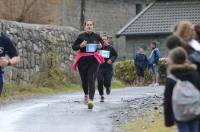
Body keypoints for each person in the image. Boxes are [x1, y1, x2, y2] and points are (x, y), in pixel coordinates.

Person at [164, 47, 200, 132]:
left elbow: (168, 100)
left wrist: (169, 120)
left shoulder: (171, 77)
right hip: (195, 109)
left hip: (180, 112)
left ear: (172, 60)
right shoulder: (194, 74)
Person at [72, 19, 104, 109]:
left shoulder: (97, 36)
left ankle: (90, 100)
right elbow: (74, 47)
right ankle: (86, 94)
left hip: (94, 60)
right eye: (87, 25)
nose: (89, 26)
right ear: (85, 27)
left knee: (91, 79)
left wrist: (100, 46)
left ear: (93, 26)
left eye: (91, 25)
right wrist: (80, 46)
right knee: (84, 81)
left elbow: (103, 45)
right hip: (82, 61)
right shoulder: (81, 36)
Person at [97, 35, 118, 102]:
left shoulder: (111, 48)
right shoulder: (98, 48)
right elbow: (94, 54)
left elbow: (115, 55)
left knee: (107, 81)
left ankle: (108, 87)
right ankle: (101, 95)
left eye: (105, 39)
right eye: (102, 39)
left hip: (108, 67)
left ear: (107, 40)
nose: (103, 41)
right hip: (99, 67)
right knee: (100, 81)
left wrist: (111, 60)